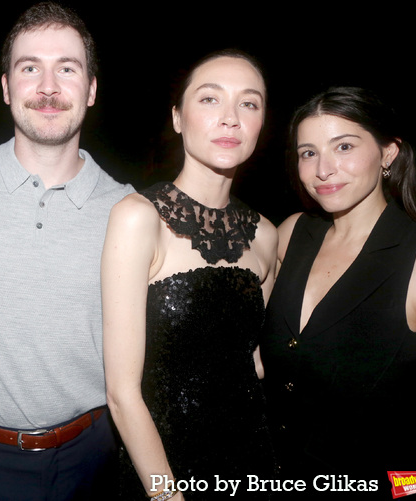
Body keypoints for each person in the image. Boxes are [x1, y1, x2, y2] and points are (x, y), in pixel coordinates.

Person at [0, 3, 133, 499]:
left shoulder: (128, 210)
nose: (48, 87)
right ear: (8, 87)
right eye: (30, 67)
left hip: (92, 460)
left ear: (92, 89)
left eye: (67, 69)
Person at [102, 50, 278, 500]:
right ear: (178, 118)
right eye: (209, 99)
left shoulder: (266, 236)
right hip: (163, 471)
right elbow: (122, 394)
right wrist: (167, 495)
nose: (230, 119)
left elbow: (253, 363)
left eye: (249, 103)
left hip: (253, 463)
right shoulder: (138, 218)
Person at [260, 87, 416, 496]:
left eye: (343, 146)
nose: (323, 169)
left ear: (388, 154)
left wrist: (411, 490)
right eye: (308, 152)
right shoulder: (291, 235)